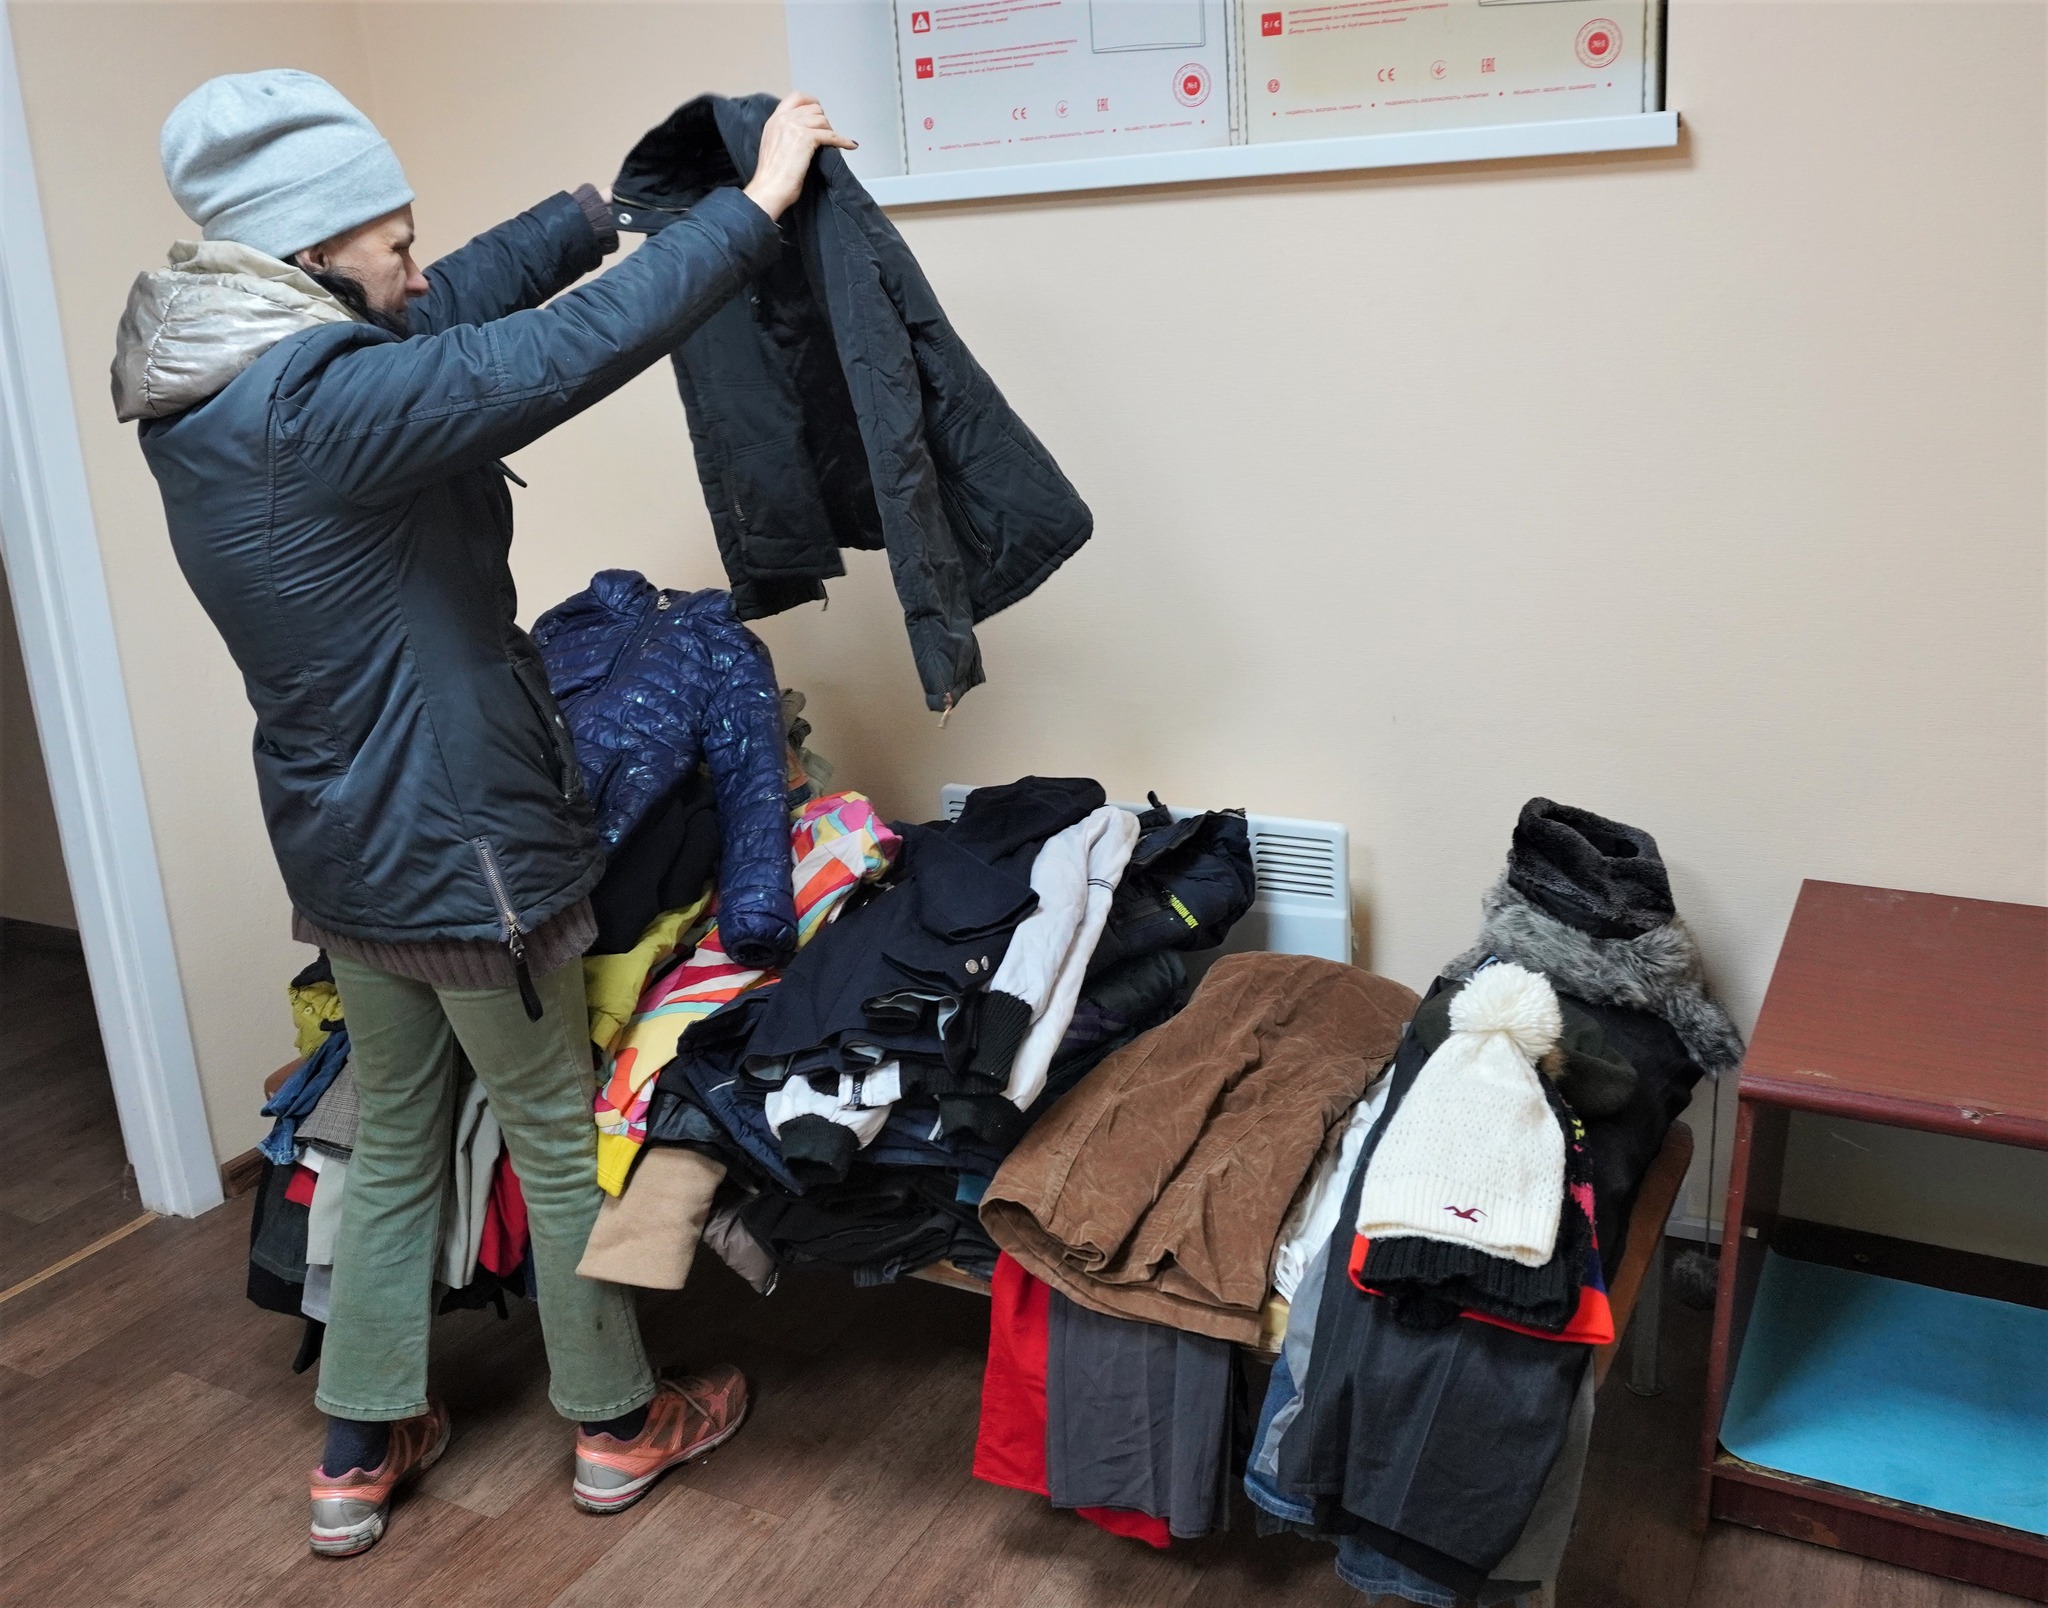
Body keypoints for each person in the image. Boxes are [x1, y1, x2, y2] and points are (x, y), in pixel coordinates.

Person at [111, 69, 852, 1558]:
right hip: (470, 847)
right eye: (391, 238)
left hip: (344, 841)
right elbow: (550, 357)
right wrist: (751, 209)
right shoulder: (325, 402)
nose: (413, 262)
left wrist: (595, 211)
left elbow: (450, 312)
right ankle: (617, 1423)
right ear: (314, 252)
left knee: (396, 1132)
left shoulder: (221, 378)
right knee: (553, 1133)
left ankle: (357, 1449)